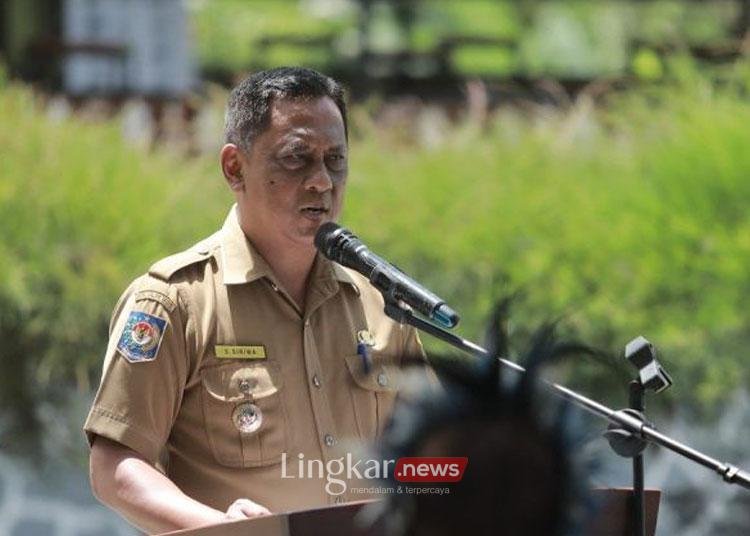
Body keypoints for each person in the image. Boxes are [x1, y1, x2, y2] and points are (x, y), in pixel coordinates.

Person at [84, 67, 425, 534]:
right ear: (235, 168)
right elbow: (115, 465)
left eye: (335, 160)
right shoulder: (174, 301)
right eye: (296, 158)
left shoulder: (382, 304)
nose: (322, 181)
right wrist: (224, 528)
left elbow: (432, 455)